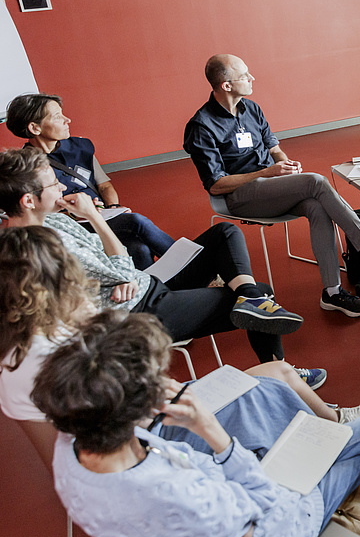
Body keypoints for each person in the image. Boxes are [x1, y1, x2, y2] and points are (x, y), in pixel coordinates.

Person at [35, 310, 360, 537]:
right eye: (157, 378)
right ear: (136, 406)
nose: (168, 382)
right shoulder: (172, 489)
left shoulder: (73, 453)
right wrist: (212, 433)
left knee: (344, 439)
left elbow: (206, 484)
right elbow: (263, 499)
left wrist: (238, 520)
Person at [0, 226, 360, 471]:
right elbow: (134, 398)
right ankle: (336, 432)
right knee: (278, 375)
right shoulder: (69, 347)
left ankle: (330, 425)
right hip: (156, 438)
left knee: (276, 373)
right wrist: (96, 320)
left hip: (122, 439)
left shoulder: (19, 350)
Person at [0, 147, 323, 379]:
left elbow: (113, 260)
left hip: (143, 286)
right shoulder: (38, 246)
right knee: (263, 291)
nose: (62, 186)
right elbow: (119, 267)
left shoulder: (54, 219)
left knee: (224, 233)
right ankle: (284, 374)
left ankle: (249, 298)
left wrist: (122, 271)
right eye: (53, 184)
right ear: (28, 200)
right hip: (137, 311)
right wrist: (95, 217)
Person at [183, 54, 360, 318]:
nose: (252, 78)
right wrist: (268, 172)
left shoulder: (251, 108)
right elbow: (216, 186)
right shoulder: (202, 126)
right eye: (244, 76)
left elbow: (274, 148)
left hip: (272, 185)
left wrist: (285, 165)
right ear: (226, 85)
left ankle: (332, 293)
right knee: (315, 181)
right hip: (239, 195)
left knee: (316, 206)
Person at [5, 93, 175, 269]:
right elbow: (36, 211)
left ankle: (161, 283)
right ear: (35, 128)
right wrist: (79, 212)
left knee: (138, 248)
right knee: (136, 221)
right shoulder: (27, 166)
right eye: (57, 116)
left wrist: (113, 207)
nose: (67, 120)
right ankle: (187, 265)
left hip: (102, 216)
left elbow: (104, 185)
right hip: (72, 226)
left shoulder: (80, 148)